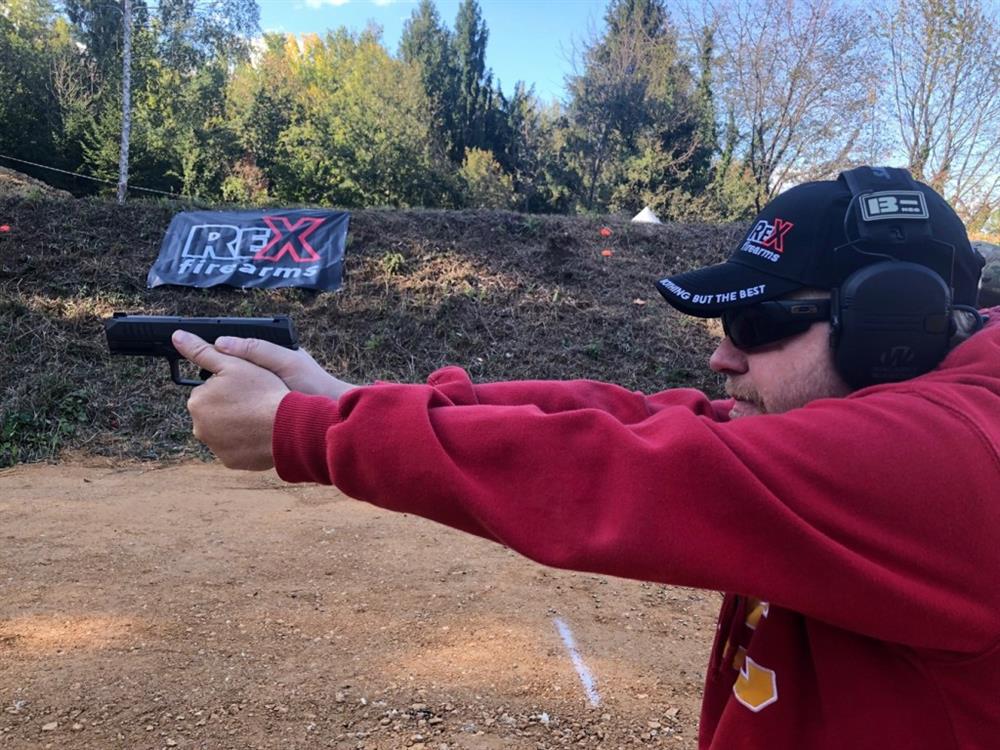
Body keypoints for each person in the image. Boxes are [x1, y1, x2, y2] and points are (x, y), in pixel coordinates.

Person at [174, 166, 1000, 749]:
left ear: (892, 326)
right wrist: (344, 399)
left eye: (754, 326)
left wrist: (307, 435)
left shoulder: (957, 459)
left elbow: (628, 465)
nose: (721, 359)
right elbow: (633, 416)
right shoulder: (904, 421)